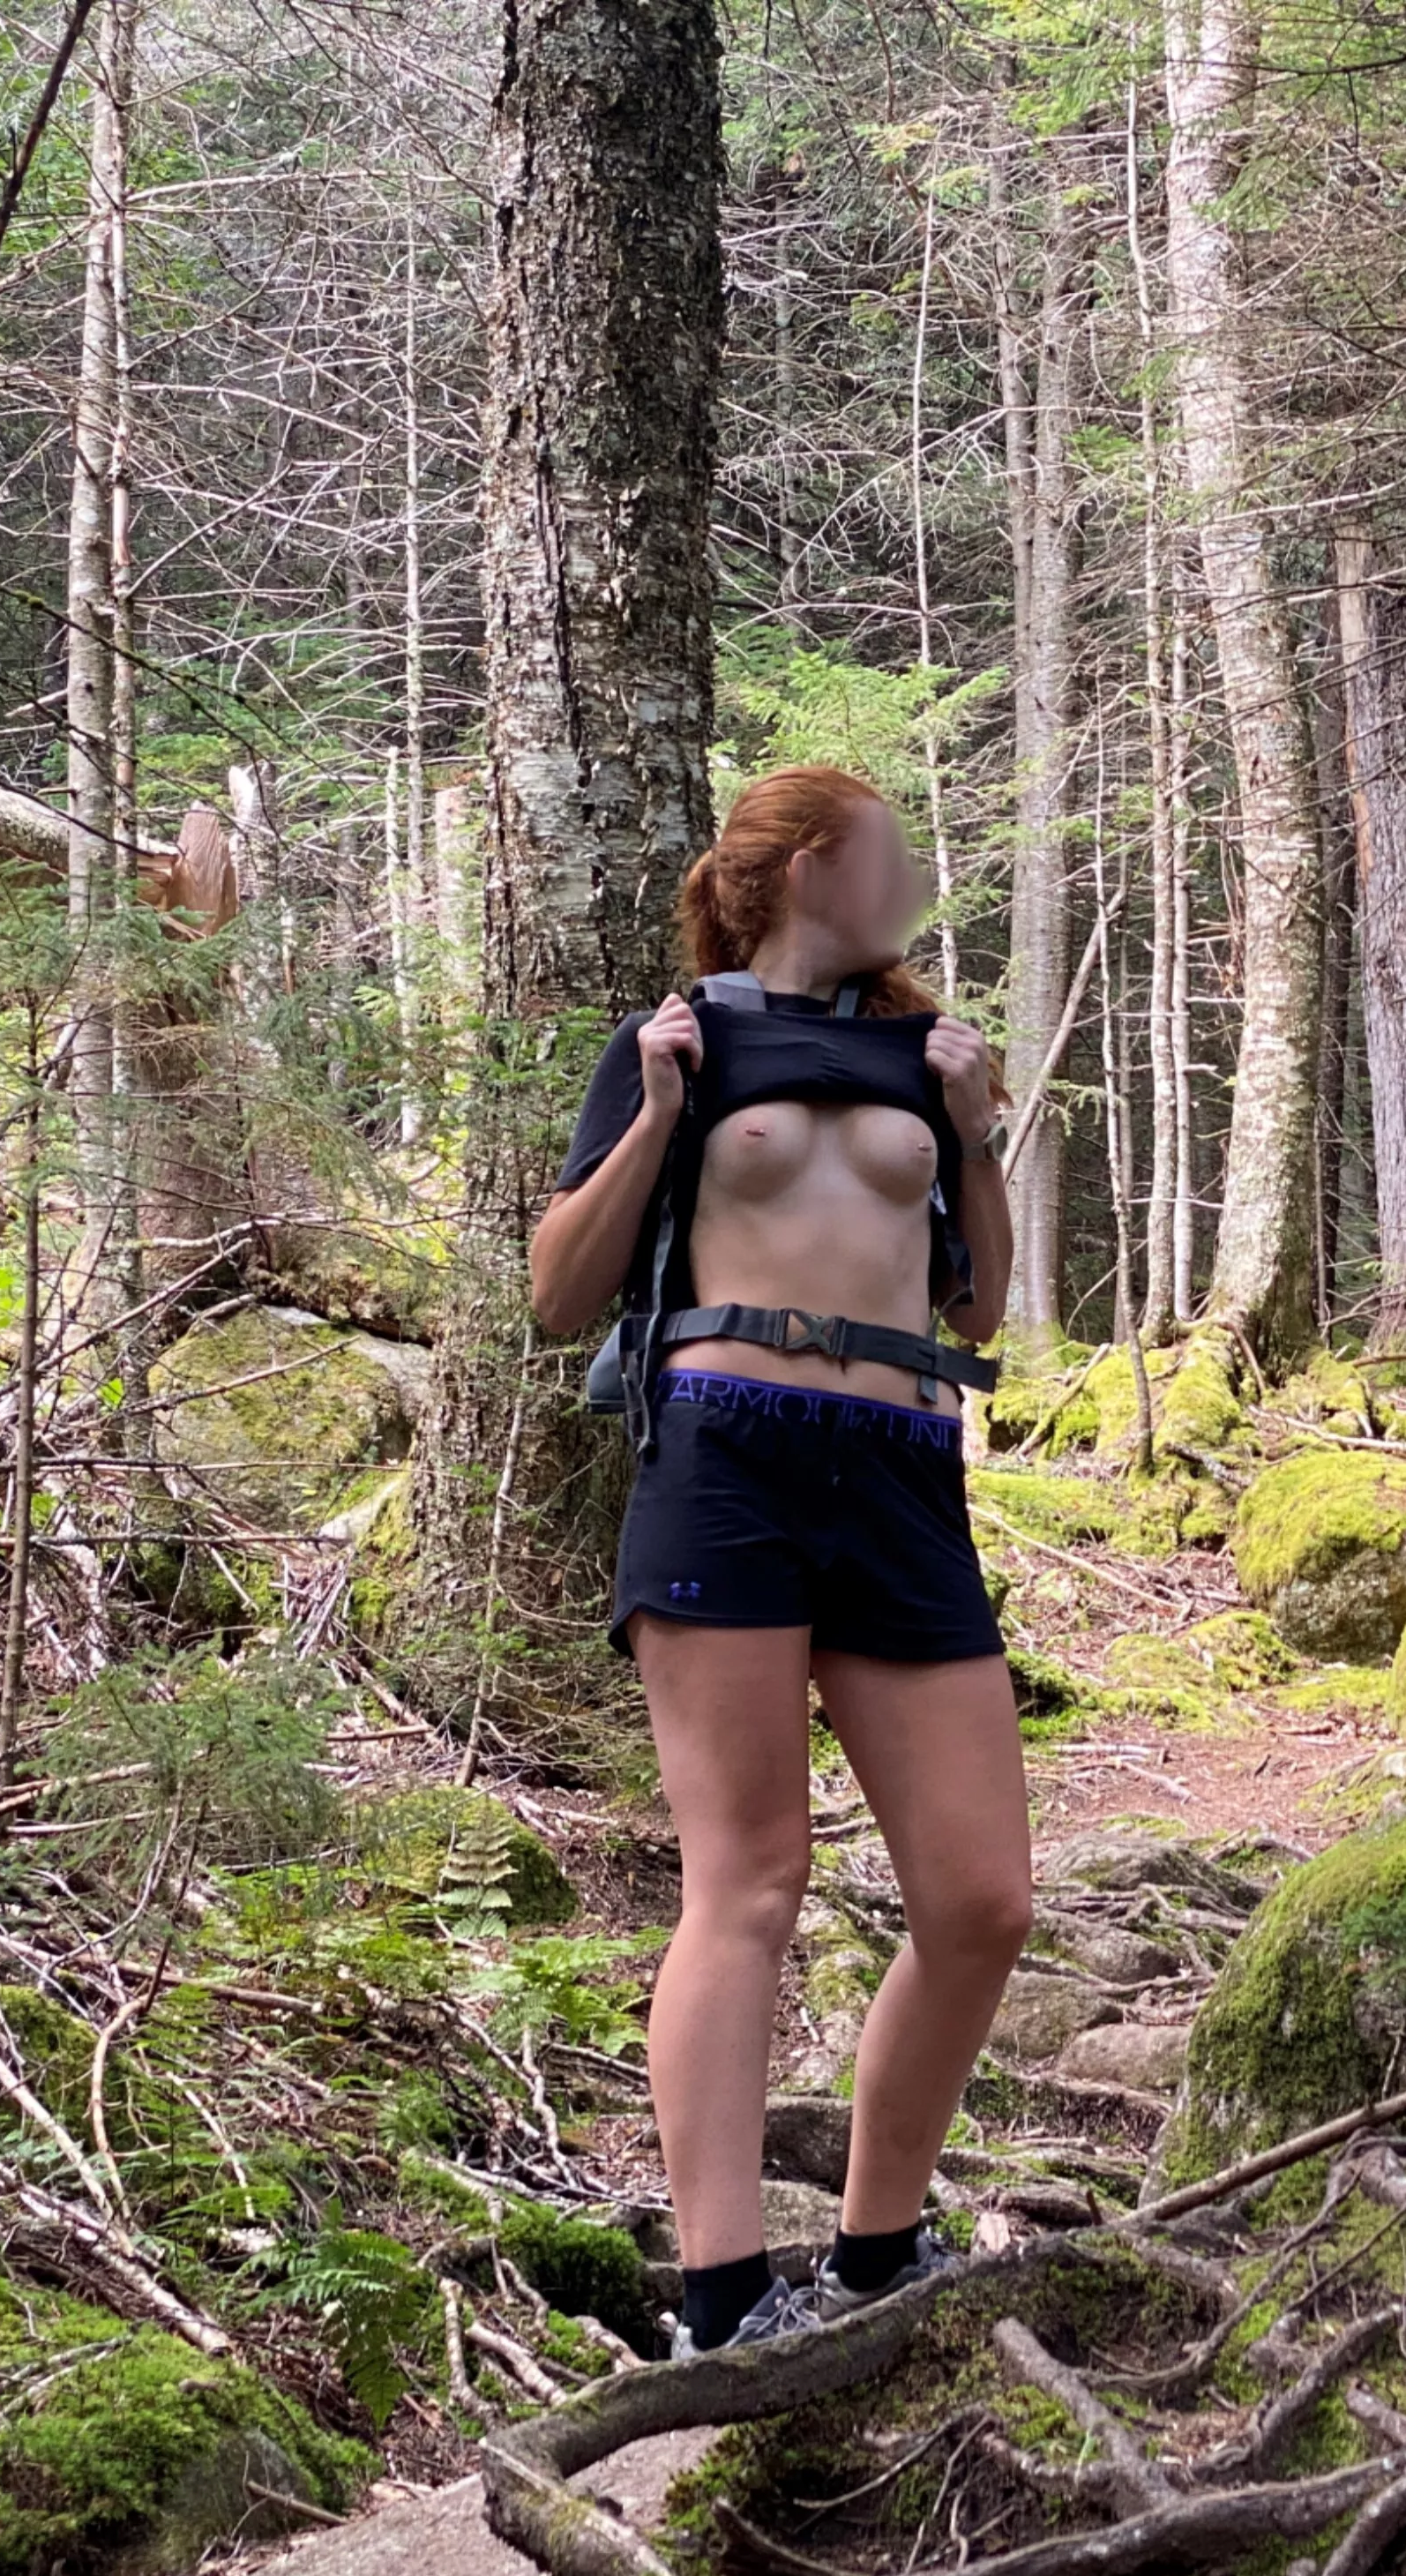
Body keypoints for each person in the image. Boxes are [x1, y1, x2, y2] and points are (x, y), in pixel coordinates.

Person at [527, 763, 1029, 2358]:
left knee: (982, 1899)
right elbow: (557, 1293)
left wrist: (974, 1131)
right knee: (747, 1882)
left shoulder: (922, 1056)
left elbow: (985, 1309)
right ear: (812, 865)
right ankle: (724, 2294)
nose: (913, 890)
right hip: (724, 1456)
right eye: (890, 857)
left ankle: (882, 2248)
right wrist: (663, 1120)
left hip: (898, 1467)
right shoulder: (677, 1040)